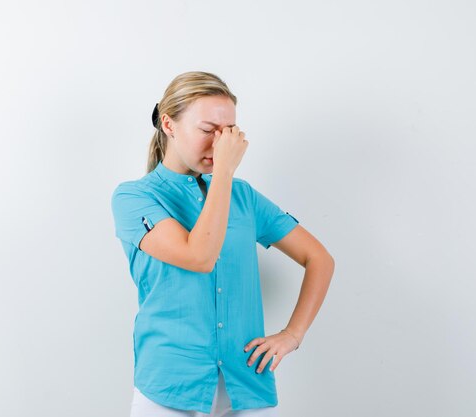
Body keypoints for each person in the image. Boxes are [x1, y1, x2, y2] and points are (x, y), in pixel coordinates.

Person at [111, 71, 335, 417]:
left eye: (227, 132)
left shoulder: (243, 196)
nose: (219, 145)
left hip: (247, 387)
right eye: (207, 130)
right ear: (169, 125)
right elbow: (199, 256)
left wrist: (293, 334)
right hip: (168, 390)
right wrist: (225, 173)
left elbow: (318, 258)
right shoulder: (134, 198)